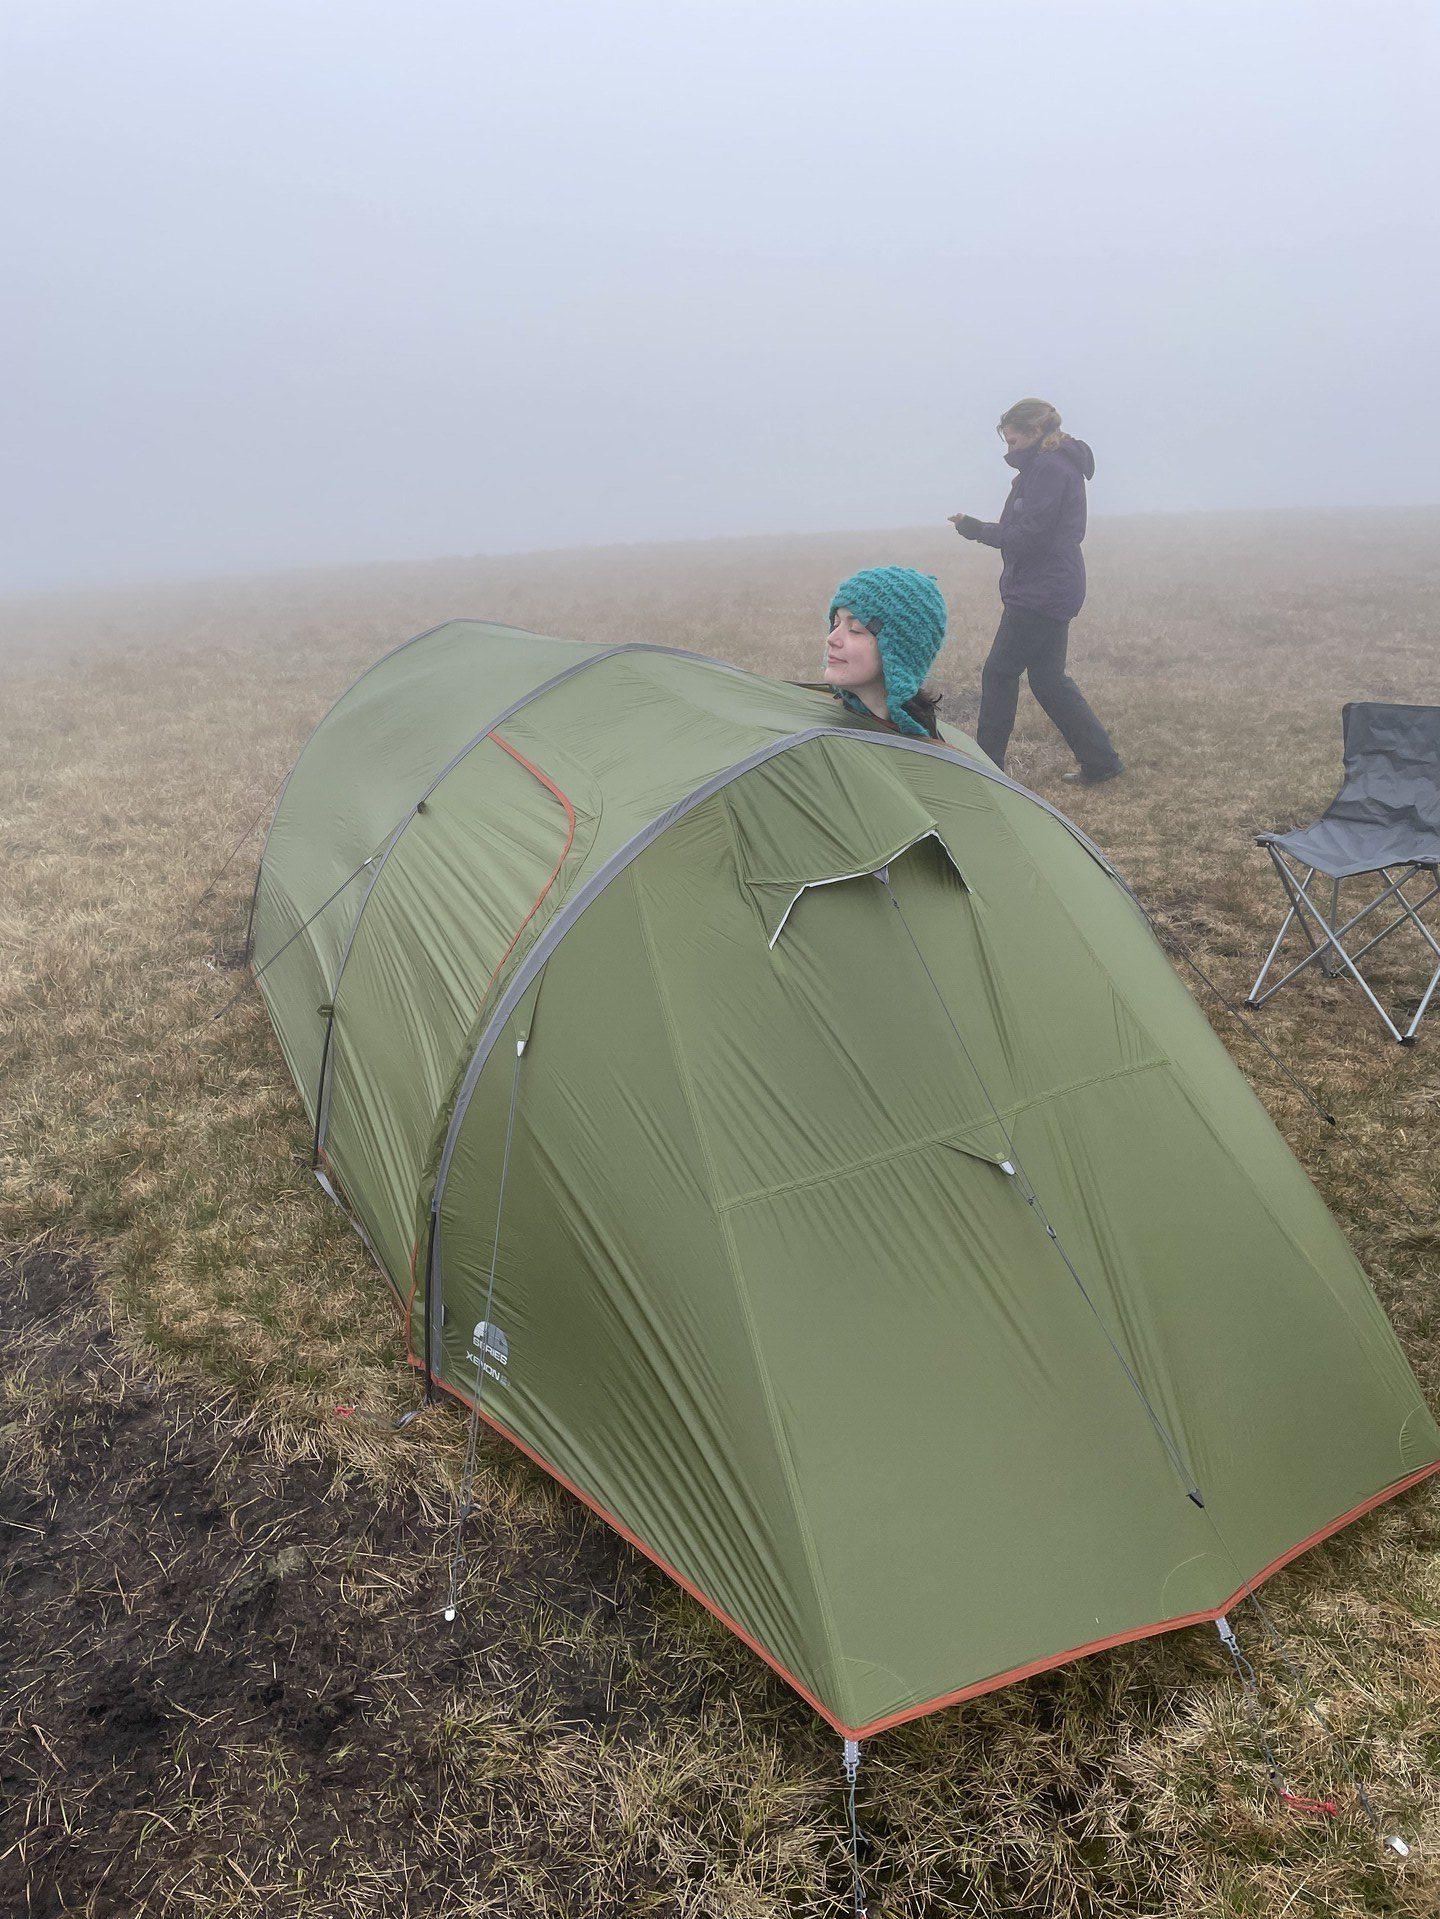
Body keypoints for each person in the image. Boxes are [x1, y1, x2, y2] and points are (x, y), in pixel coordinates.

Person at [950, 398, 1122, 784]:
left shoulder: (1049, 468)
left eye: (1013, 441)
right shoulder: (1048, 466)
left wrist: (976, 529)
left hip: (1042, 590)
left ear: (1034, 433)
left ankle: (987, 769)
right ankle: (1101, 762)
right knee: (1047, 678)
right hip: (1051, 585)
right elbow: (1027, 529)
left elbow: (1028, 536)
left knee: (999, 673)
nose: (1009, 450)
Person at [821, 566, 948, 740]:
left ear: (900, 653)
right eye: (836, 624)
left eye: (855, 629)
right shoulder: (816, 738)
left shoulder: (927, 753)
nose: (831, 638)